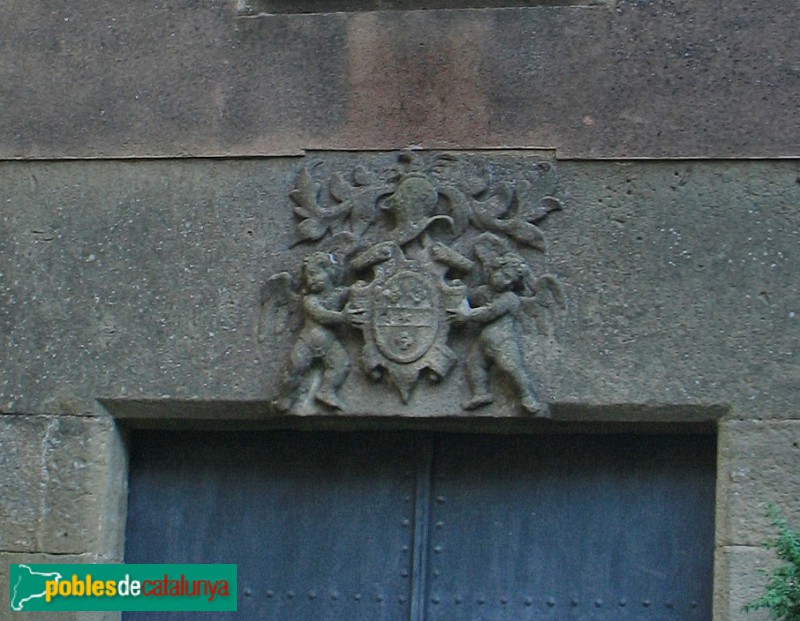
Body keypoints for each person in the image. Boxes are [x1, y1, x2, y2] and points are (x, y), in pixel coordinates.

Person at [274, 252, 351, 413]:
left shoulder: (338, 294)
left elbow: (352, 293)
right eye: (308, 277)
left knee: (342, 364)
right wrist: (343, 316)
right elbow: (321, 315)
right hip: (307, 342)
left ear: (329, 272)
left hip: (329, 343)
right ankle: (286, 396)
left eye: (315, 274)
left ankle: (326, 391)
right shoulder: (309, 300)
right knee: (294, 369)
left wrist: (359, 289)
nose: (311, 280)